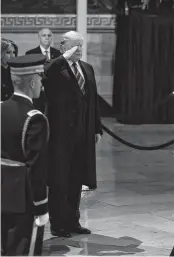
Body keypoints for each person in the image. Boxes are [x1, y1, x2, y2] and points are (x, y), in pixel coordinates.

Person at [44, 31, 102, 238]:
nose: (79, 49)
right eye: (74, 45)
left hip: (83, 134)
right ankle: (58, 224)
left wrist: (96, 128)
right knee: (60, 180)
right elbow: (46, 73)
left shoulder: (87, 68)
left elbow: (93, 101)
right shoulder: (54, 67)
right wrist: (63, 59)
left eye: (81, 45)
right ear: (63, 46)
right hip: (60, 135)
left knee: (76, 179)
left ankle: (73, 220)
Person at [1, 54, 50, 255]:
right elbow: (36, 167)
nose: (41, 84)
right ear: (31, 82)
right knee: (23, 250)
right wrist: (41, 207)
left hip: (3, 192)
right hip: (24, 198)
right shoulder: (35, 119)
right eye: (40, 78)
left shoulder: (1, 109)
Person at [26, 28, 62, 112]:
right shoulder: (31, 54)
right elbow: (29, 74)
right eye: (44, 35)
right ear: (39, 37)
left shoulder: (58, 54)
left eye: (49, 35)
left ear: (52, 37)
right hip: (37, 94)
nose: (47, 38)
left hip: (55, 94)